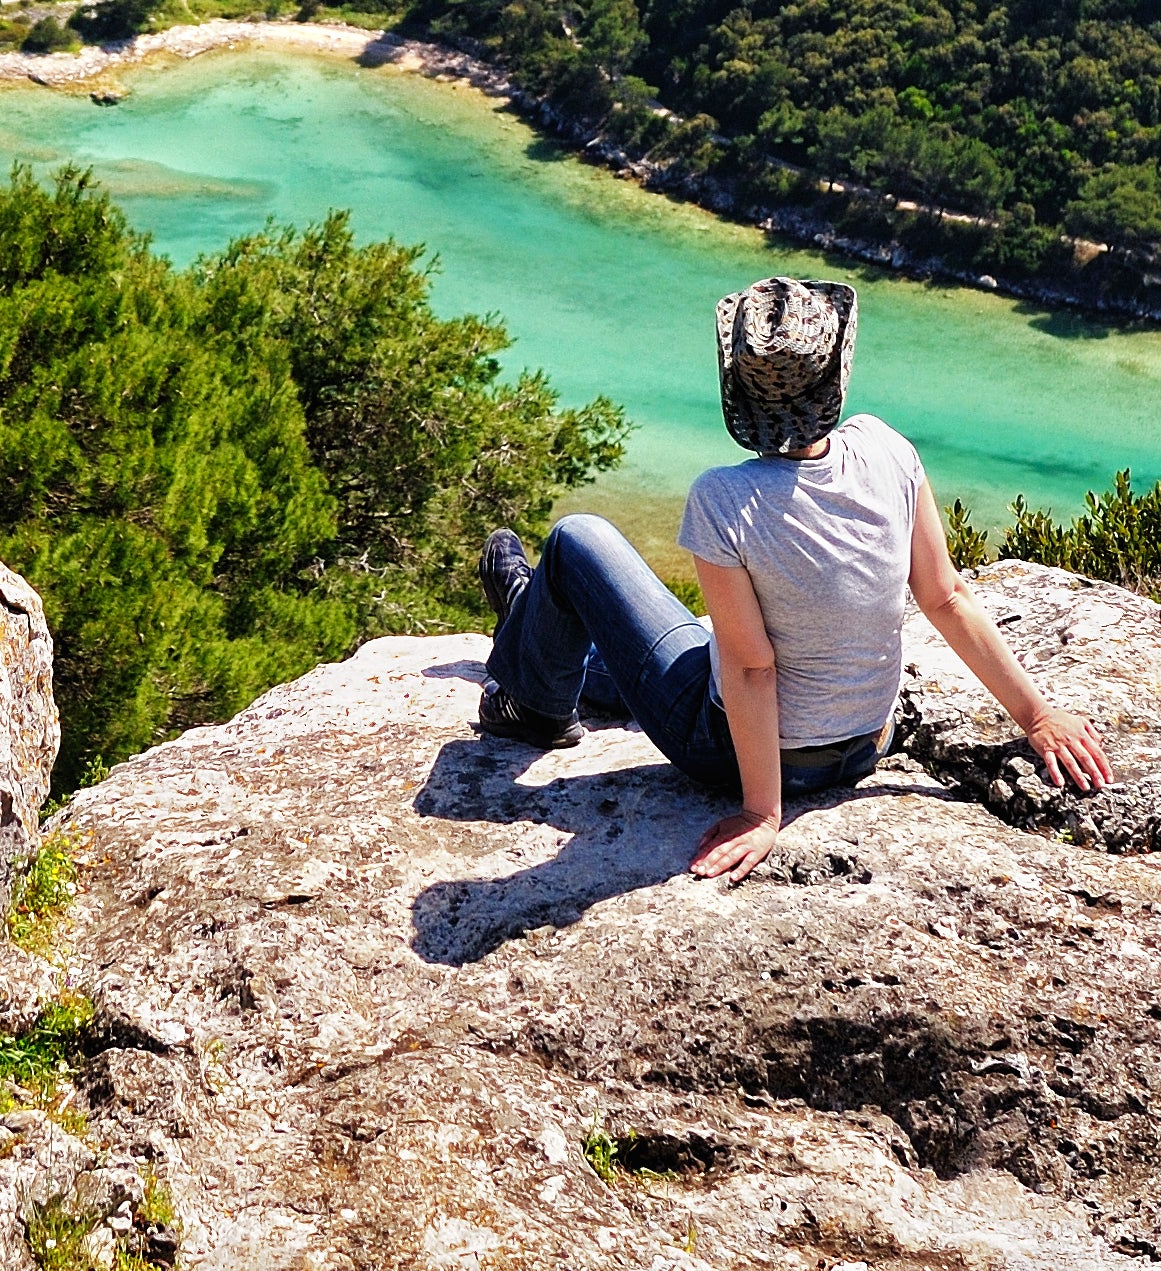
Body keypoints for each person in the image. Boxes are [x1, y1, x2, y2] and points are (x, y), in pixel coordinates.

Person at [476, 274, 1114, 884]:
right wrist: (1036, 715)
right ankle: (532, 622)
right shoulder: (887, 448)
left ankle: (534, 696)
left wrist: (762, 813)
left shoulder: (725, 498)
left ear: (738, 388)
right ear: (834, 375)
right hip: (868, 742)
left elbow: (754, 670)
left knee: (575, 540)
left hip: (731, 752)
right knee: (681, 644)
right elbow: (946, 596)